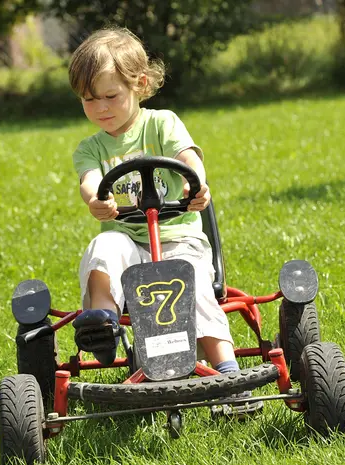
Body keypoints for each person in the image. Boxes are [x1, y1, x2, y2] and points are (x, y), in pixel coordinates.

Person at [67, 27, 245, 380]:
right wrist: (95, 200)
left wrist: (199, 182)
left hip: (178, 240)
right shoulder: (91, 148)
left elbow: (187, 156)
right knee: (104, 246)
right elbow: (89, 180)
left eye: (111, 96)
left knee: (190, 286)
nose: (101, 107)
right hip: (129, 243)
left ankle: (227, 371)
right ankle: (103, 323)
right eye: (89, 99)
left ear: (140, 84)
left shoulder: (162, 123)